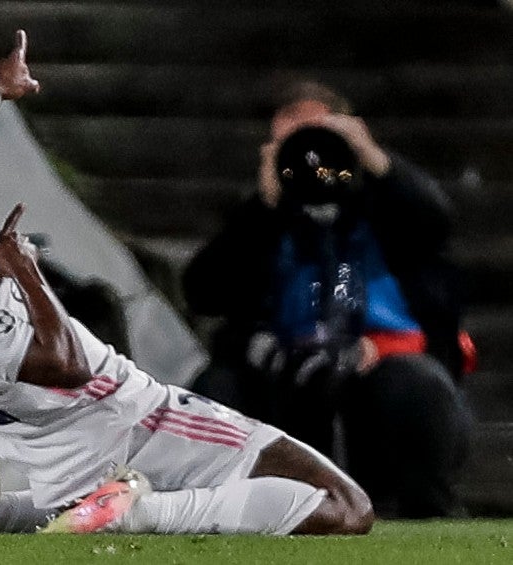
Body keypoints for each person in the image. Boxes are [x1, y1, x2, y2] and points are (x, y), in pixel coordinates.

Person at [0, 34, 372, 535]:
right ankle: (133, 510)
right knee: (342, 504)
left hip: (53, 451)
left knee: (215, 496)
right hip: (129, 416)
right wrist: (25, 273)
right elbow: (67, 366)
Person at [182, 81, 472, 518]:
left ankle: (423, 508)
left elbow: (435, 222)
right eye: (294, 139)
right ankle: (226, 512)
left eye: (321, 134)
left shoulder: (392, 212)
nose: (312, 157)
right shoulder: (261, 218)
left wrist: (372, 159)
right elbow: (204, 290)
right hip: (279, 372)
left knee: (417, 385)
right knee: (215, 393)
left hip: (381, 368)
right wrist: (263, 207)